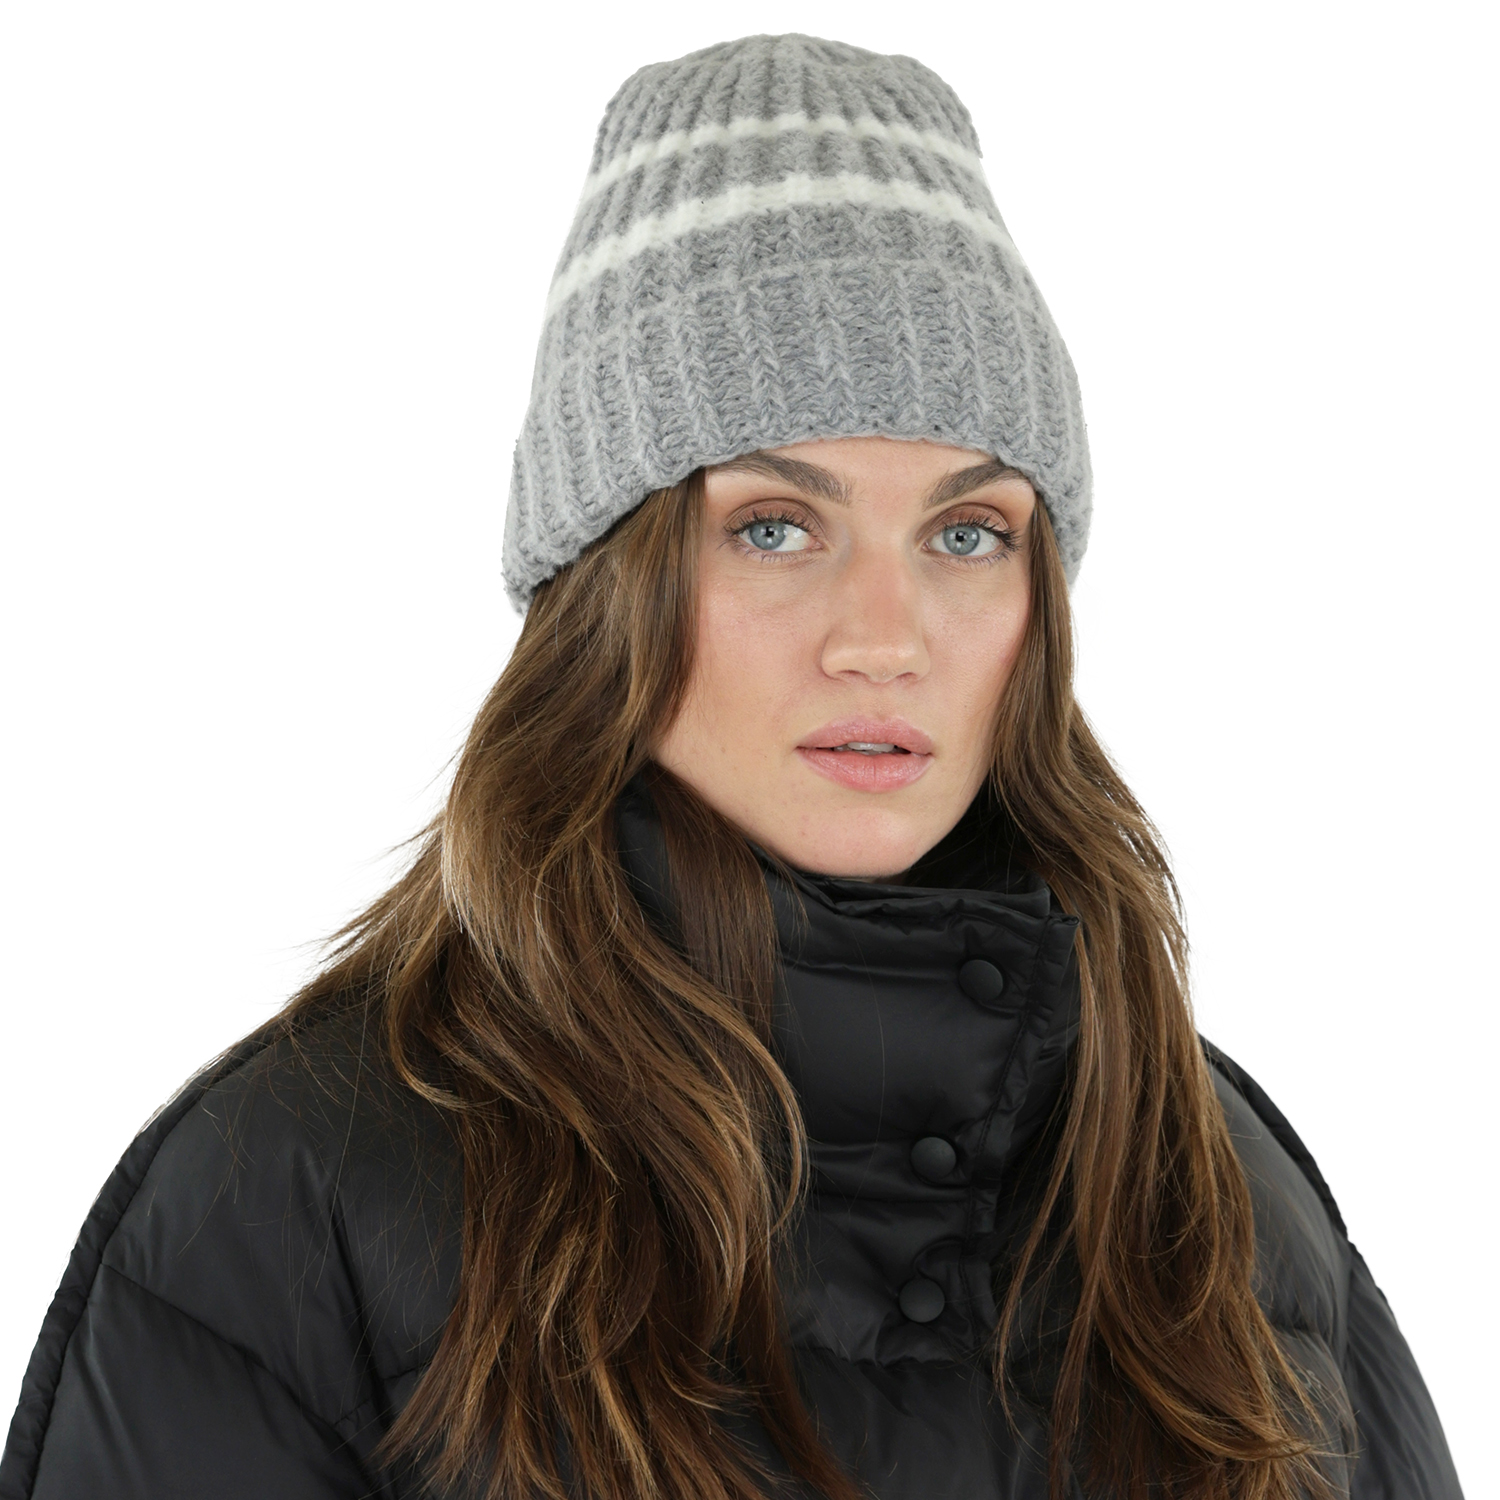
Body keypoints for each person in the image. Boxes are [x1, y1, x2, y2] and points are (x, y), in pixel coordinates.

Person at [0, 33, 1462, 1500]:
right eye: (774, 526)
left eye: (967, 533)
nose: (884, 639)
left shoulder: (1213, 1186)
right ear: (609, 590)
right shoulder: (291, 1199)